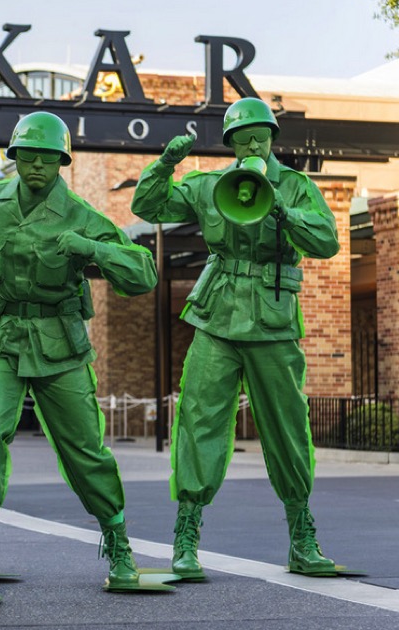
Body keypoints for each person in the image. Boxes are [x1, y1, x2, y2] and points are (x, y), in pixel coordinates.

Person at [0, 111, 158, 601]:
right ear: (13, 158)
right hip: (1, 337)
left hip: (59, 341)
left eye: (47, 157)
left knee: (84, 451)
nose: (35, 165)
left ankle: (119, 544)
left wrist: (86, 246)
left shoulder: (80, 214)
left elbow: (143, 274)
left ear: (61, 162)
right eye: (26, 156)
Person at [131, 97, 341, 579]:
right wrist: (166, 162)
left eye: (259, 134)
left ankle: (302, 536)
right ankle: (186, 535)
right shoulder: (208, 186)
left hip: (273, 320)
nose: (251, 142)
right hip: (217, 317)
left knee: (288, 427)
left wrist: (283, 208)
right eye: (241, 137)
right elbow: (146, 204)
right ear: (229, 145)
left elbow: (327, 241)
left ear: (272, 137)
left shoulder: (297, 186)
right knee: (199, 420)